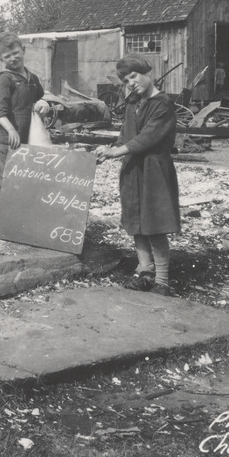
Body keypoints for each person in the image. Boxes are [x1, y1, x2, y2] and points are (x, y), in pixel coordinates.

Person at [96, 54, 181, 296]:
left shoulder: (162, 104)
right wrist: (109, 149)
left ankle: (162, 281)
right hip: (133, 168)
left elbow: (147, 138)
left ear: (147, 72)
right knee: (136, 223)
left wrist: (116, 153)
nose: (131, 83)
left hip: (154, 170)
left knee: (154, 225)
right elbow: (127, 134)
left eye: (133, 76)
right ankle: (145, 271)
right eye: (125, 80)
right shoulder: (133, 104)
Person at [0, 31, 49, 181]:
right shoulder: (4, 80)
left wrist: (43, 104)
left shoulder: (32, 78)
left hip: (29, 134)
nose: (13, 58)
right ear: (0, 59)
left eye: (15, 53)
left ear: (24, 50)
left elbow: (38, 98)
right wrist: (11, 130)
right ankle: (4, 205)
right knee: (8, 178)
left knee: (27, 177)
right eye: (7, 56)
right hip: (9, 138)